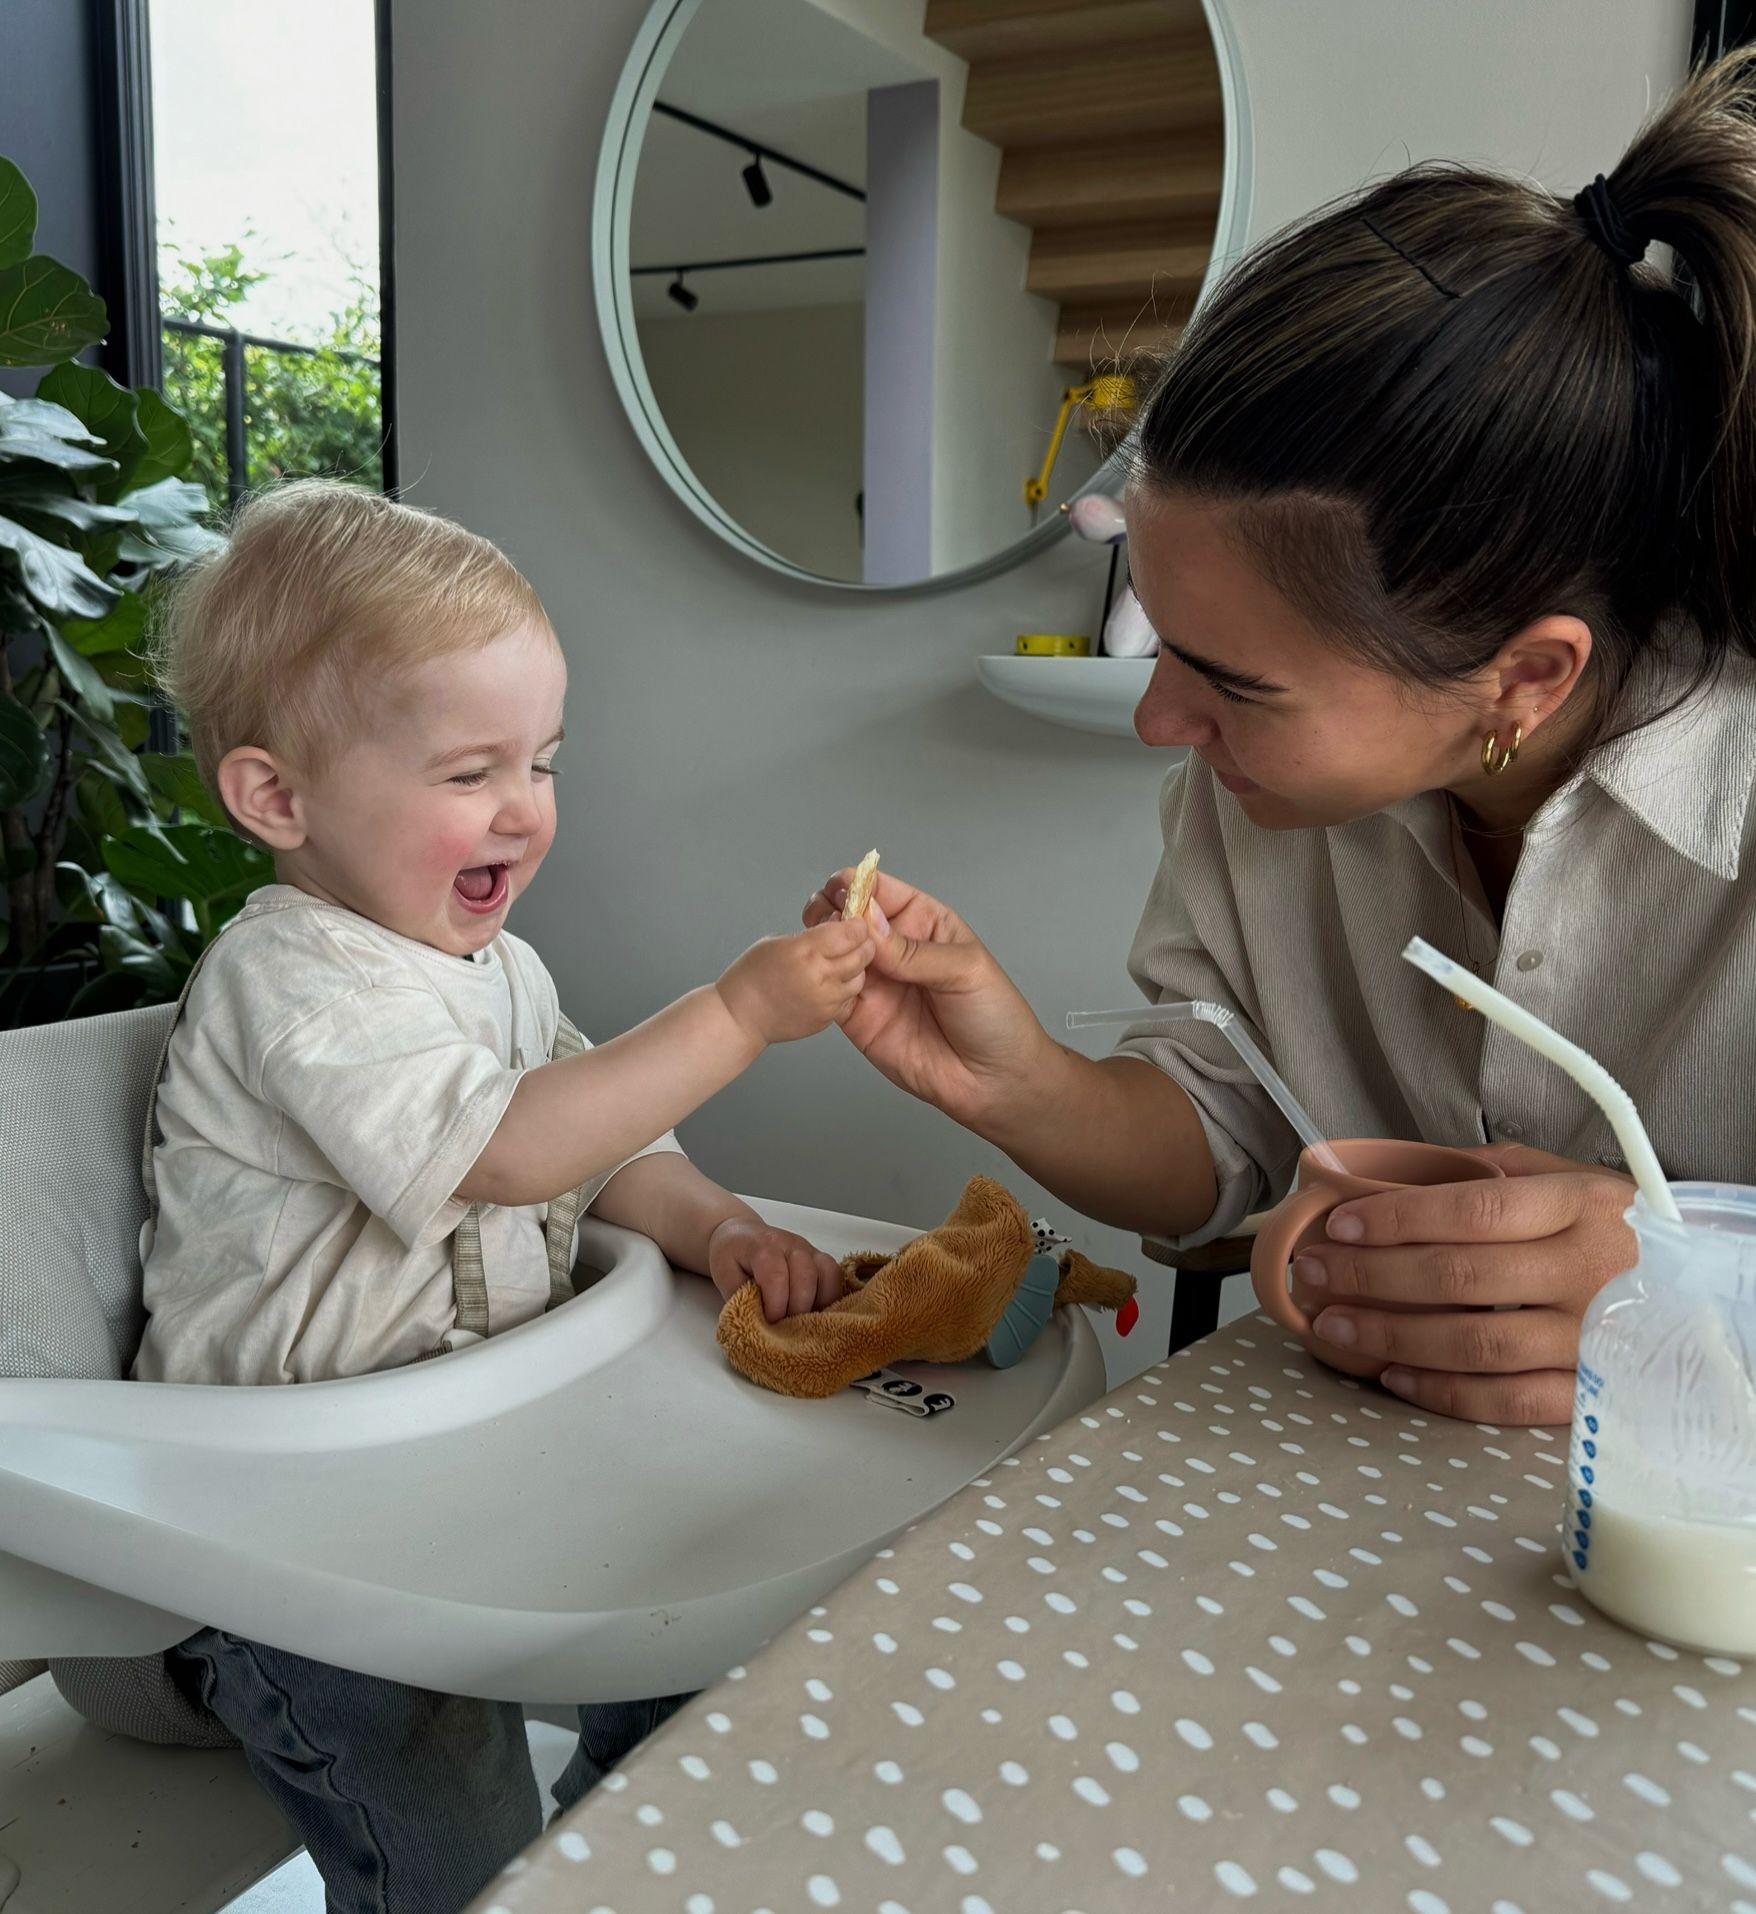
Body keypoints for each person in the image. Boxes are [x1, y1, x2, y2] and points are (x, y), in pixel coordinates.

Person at [809, 52, 1756, 1432]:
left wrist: (1700, 1279)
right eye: (1161, 637)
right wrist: (1014, 1078)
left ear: (1523, 678)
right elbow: (1222, 1138)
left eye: (1232, 682)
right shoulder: (1251, 804)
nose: (1160, 723)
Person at [136, 479, 874, 1912]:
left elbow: (602, 1141)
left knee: (694, 1666)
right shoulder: (292, 976)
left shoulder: (501, 973)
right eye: (471, 769)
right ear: (277, 795)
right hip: (294, 1541)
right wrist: (736, 1010)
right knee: (450, 1850)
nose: (524, 810)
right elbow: (510, 1148)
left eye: (542, 761)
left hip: (475, 1468)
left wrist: (713, 1223)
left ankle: (596, 1862)